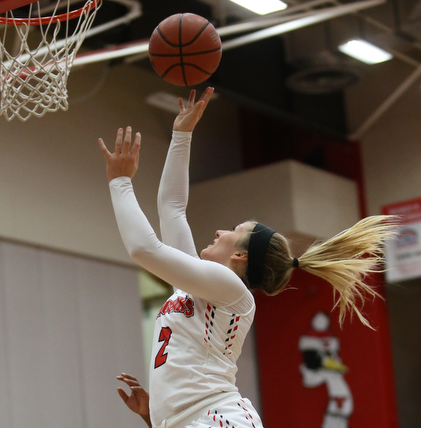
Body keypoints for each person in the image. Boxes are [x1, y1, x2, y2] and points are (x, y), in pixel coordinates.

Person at [98, 87, 397, 428]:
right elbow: (171, 208)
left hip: (218, 420)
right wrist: (181, 134)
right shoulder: (199, 287)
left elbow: (144, 249)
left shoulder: (231, 291)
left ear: (240, 255)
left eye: (232, 230)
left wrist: (120, 182)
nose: (219, 232)